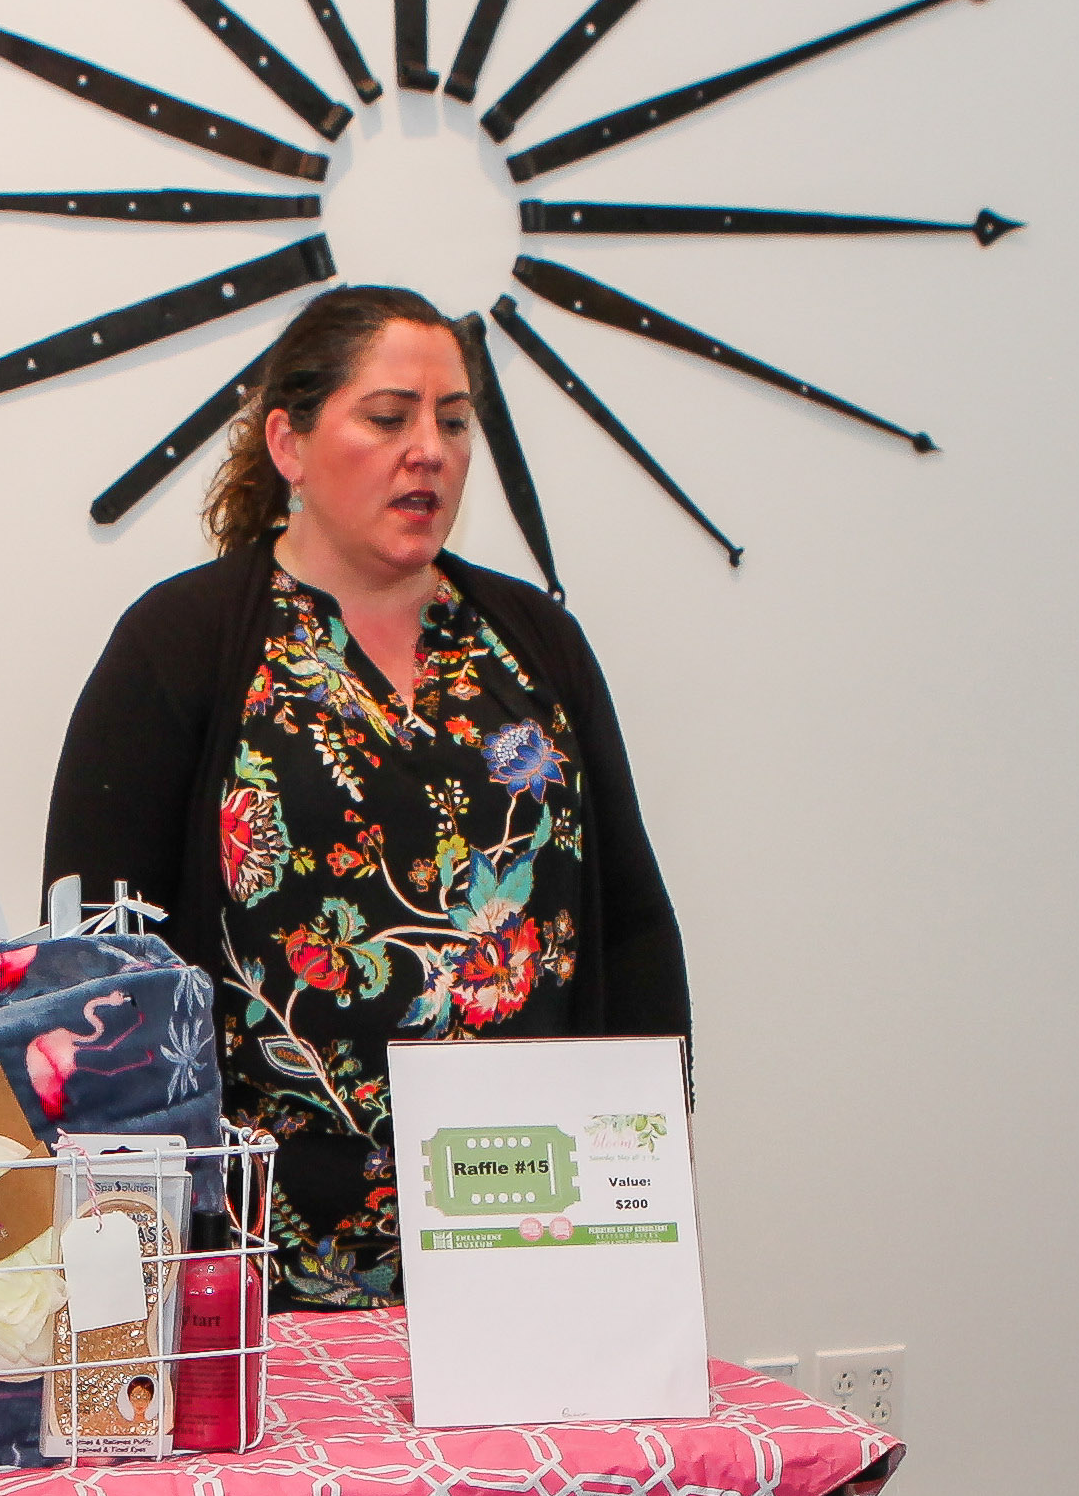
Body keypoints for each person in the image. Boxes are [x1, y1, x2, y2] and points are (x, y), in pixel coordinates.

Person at [45, 284, 691, 1309]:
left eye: (453, 422)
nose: (428, 450)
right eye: (389, 418)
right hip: (258, 1270)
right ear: (289, 444)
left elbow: (633, 931)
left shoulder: (536, 644)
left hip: (534, 1235)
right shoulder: (183, 645)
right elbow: (93, 969)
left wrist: (649, 1180)